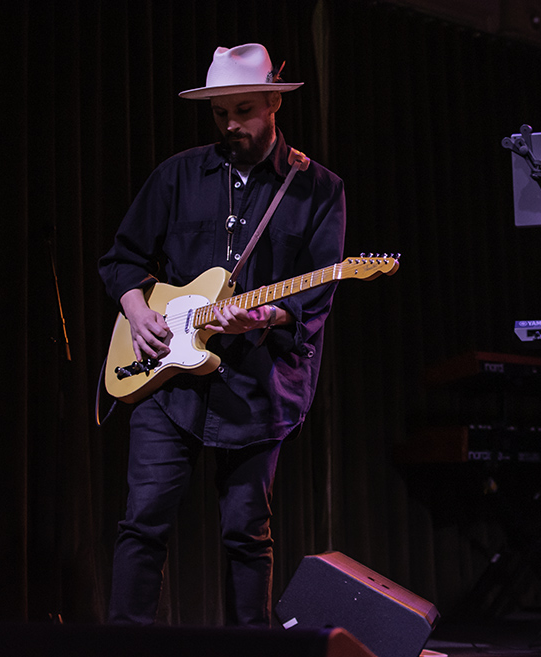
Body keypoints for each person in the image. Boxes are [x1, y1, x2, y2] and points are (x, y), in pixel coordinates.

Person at [98, 43, 346, 627]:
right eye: (219, 113)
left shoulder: (318, 188)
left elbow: (318, 292)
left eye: (243, 111)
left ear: (273, 104)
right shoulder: (178, 174)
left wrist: (268, 317)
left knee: (246, 533)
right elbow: (122, 259)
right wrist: (137, 311)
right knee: (143, 523)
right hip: (166, 374)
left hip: (258, 384)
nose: (230, 124)